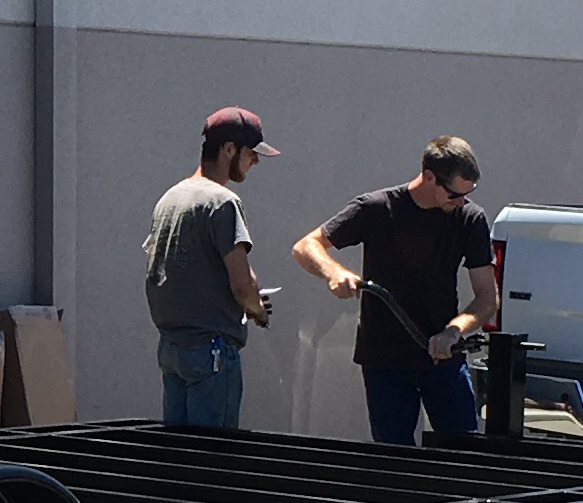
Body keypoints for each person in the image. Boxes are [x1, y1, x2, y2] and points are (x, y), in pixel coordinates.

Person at [294, 135, 500, 446]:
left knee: (462, 452)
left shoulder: (470, 218)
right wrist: (334, 273)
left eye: (467, 194)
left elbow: (487, 297)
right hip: (384, 361)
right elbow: (306, 246)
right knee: (394, 458)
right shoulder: (376, 208)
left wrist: (453, 331)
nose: (460, 202)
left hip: (442, 358)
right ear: (428, 177)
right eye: (454, 194)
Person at [144, 106, 276, 429]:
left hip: (171, 349)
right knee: (213, 455)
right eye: (252, 152)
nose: (255, 161)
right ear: (229, 149)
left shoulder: (170, 199)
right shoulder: (223, 202)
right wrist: (257, 309)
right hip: (211, 351)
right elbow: (241, 285)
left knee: (179, 455)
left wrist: (250, 295)